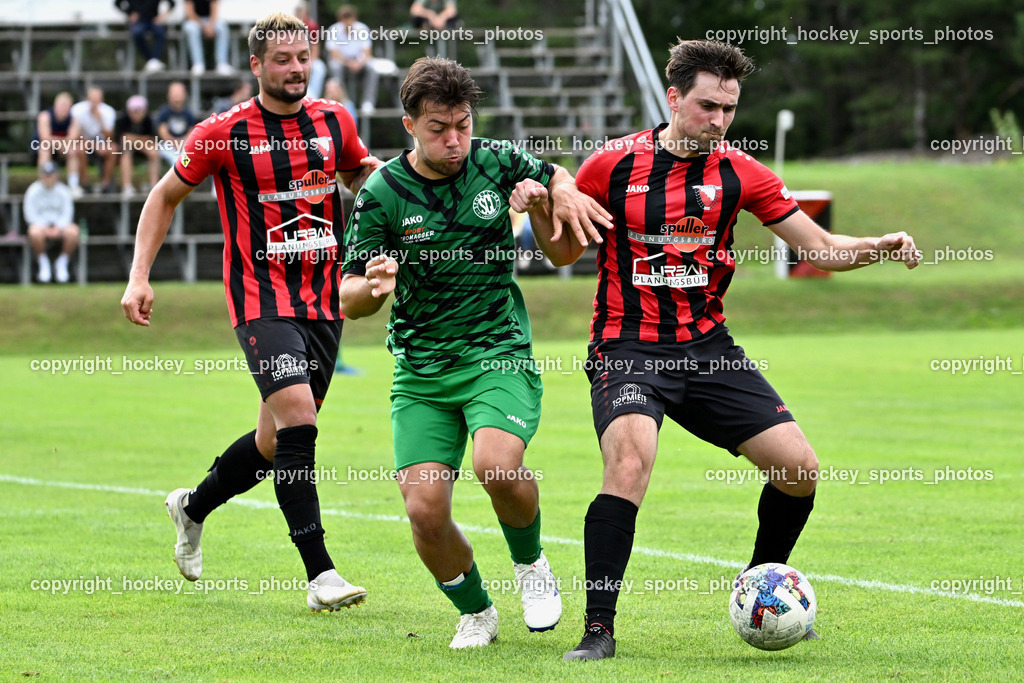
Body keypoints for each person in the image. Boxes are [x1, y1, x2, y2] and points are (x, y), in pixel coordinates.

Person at [558, 39, 920, 661]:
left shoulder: (741, 172)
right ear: (673, 98)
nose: (720, 121)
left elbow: (822, 249)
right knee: (630, 463)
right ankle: (598, 631)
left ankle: (763, 588)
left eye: (729, 109)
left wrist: (878, 245)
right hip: (629, 347)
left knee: (798, 469)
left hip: (708, 349)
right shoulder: (610, 167)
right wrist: (549, 199)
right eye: (707, 106)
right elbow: (562, 254)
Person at [338, 56, 611, 649]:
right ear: (409, 123)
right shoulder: (382, 192)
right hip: (421, 370)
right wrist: (373, 286)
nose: (455, 139)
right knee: (425, 513)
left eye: (463, 124)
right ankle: (477, 611)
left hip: (496, 352)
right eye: (439, 128)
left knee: (497, 466)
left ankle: (532, 564)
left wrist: (548, 196)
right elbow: (348, 297)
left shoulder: (495, 161)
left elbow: (562, 243)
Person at [120, 12, 382, 612]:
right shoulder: (223, 131)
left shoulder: (334, 121)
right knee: (299, 422)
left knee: (272, 443)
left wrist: (384, 182)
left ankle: (191, 506)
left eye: (302, 57)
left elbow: (360, 176)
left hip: (324, 302)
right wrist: (140, 276)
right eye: (282, 59)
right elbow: (164, 197)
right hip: (261, 301)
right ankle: (321, 575)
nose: (295, 68)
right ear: (256, 65)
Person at [24, 162, 80, 284]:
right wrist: (44, 228)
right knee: (34, 232)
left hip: (60, 227)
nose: (48, 178)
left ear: (57, 175)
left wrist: (58, 227)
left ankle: (62, 263)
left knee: (73, 231)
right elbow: (30, 214)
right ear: (41, 175)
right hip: (40, 227)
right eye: (46, 175)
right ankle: (43, 263)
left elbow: (68, 213)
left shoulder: (64, 191)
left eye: (51, 174)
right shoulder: (33, 191)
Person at [325, 5, 378, 115]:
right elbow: (334, 53)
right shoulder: (334, 30)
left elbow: (367, 52)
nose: (348, 22)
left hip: (359, 62)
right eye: (345, 19)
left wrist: (359, 63)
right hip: (342, 62)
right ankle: (342, 100)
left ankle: (368, 102)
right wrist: (349, 63)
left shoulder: (362, 28)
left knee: (372, 68)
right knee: (335, 67)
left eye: (350, 18)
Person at [67, 86, 118, 197]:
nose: (94, 103)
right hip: (85, 142)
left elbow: (110, 136)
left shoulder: (108, 112)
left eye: (97, 100)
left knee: (113, 150)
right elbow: (76, 134)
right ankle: (84, 184)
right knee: (79, 149)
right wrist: (93, 144)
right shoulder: (77, 110)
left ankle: (105, 184)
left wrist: (100, 120)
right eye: (92, 99)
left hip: (103, 143)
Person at [115, 94, 161, 197]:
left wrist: (134, 139)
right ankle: (127, 187)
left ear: (144, 111)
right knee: (126, 152)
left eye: (138, 111)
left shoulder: (149, 120)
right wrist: (141, 139)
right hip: (128, 148)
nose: (135, 114)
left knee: (154, 152)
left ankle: (154, 186)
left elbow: (152, 140)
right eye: (133, 111)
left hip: (142, 147)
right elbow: (123, 139)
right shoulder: (123, 119)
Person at [115, 0, 177, 72]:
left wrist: (162, 17)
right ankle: (152, 61)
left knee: (161, 32)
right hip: (138, 21)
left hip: (153, 20)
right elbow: (117, 3)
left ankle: (153, 61)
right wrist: (130, 13)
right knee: (137, 33)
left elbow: (172, 3)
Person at [183, 0, 234, 76]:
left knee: (223, 28)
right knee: (192, 29)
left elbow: (214, 11)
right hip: (194, 21)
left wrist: (210, 25)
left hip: (210, 21)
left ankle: (222, 63)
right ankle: (198, 63)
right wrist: (204, 26)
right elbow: (190, 14)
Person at [155, 81, 198, 166]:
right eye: (174, 92)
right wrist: (175, 143)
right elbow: (163, 132)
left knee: (188, 156)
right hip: (168, 144)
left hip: (184, 143)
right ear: (168, 95)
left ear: (185, 94)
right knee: (175, 158)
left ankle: (187, 176)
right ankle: (178, 176)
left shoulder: (189, 113)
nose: (177, 95)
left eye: (179, 92)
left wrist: (182, 143)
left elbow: (192, 131)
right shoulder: (164, 112)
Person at [31, 92, 74, 170]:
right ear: (55, 105)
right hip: (39, 148)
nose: (64, 108)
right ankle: (44, 179)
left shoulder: (73, 119)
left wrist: (58, 143)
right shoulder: (45, 116)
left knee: (73, 151)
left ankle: (73, 181)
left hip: (62, 148)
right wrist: (61, 143)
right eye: (62, 105)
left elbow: (72, 139)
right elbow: (45, 138)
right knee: (45, 147)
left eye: (66, 106)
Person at [293, 1, 327, 99]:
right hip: (294, 59)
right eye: (298, 13)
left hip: (308, 57)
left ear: (306, 13)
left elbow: (315, 46)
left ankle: (313, 98)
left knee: (319, 68)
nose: (299, 15)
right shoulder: (290, 27)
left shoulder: (311, 26)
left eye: (301, 12)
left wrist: (309, 61)